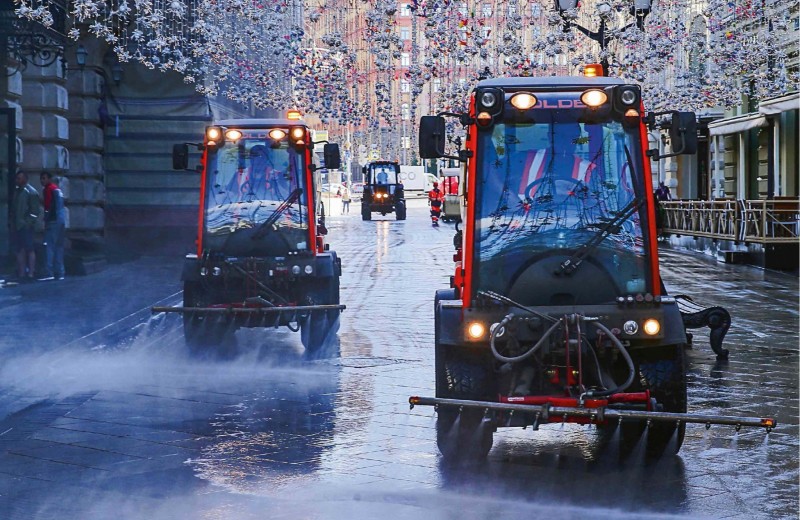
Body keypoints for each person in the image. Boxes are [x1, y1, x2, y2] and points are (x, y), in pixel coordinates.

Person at [10, 171, 41, 281]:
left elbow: (35, 212)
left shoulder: (31, 192)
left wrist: (27, 223)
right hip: (18, 225)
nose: (17, 180)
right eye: (17, 178)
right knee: (19, 249)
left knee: (29, 248)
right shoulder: (17, 192)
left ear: (25, 179)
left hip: (26, 226)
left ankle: (31, 273)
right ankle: (22, 273)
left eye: (19, 178)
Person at [39, 172, 66, 281]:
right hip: (61, 221)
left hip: (53, 221)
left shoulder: (48, 189)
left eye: (44, 178)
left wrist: (46, 218)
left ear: (49, 179)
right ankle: (60, 272)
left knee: (48, 246)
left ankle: (48, 272)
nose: (42, 181)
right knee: (59, 247)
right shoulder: (58, 190)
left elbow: (49, 206)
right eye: (41, 178)